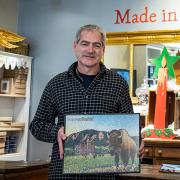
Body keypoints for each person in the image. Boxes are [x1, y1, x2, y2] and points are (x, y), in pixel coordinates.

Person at [29, 24, 144, 180]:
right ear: (75, 46)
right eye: (85, 44)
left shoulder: (118, 84)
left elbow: (129, 125)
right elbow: (37, 125)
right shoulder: (56, 84)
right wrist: (56, 131)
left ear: (103, 49)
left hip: (105, 177)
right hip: (63, 174)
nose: (90, 50)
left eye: (96, 45)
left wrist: (138, 141)